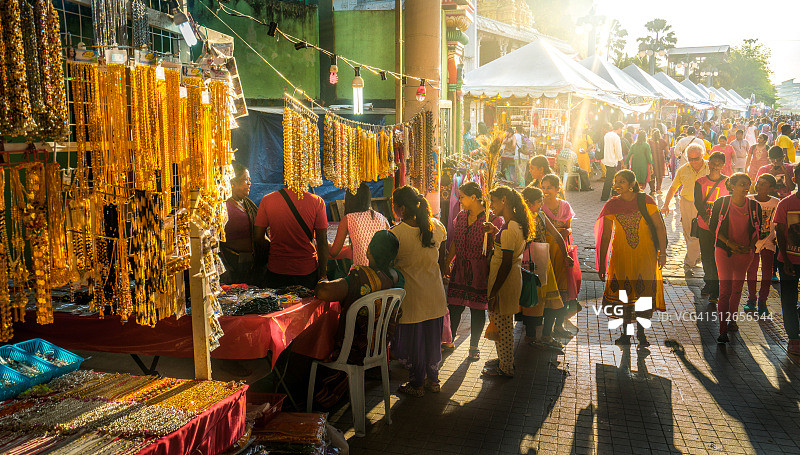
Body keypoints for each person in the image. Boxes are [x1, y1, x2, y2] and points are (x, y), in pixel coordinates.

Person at [312, 230, 404, 408]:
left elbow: (323, 292)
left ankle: (318, 401)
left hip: (353, 350)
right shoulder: (398, 279)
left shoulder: (359, 278)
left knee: (316, 342)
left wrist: (322, 278)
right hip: (378, 346)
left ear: (369, 251)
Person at [596, 170, 667, 346]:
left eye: (622, 181)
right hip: (621, 257)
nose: (617, 185)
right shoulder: (612, 205)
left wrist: (663, 252)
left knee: (643, 296)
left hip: (646, 255)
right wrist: (602, 264)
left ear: (632, 183)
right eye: (615, 181)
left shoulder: (646, 201)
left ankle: (642, 335)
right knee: (624, 297)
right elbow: (605, 236)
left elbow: (659, 228)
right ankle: (626, 335)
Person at [390, 186, 448, 397]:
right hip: (434, 294)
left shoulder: (395, 234)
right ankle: (433, 381)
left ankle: (417, 384)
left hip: (412, 298)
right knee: (432, 340)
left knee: (415, 343)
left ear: (401, 208)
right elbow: (441, 257)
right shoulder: (436, 226)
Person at [441, 182, 503, 361]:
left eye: (462, 197)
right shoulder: (461, 216)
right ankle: (449, 340)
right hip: (459, 268)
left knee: (477, 309)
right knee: (454, 307)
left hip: (480, 270)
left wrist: (492, 231)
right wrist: (448, 262)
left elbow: (501, 242)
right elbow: (455, 241)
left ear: (474, 197)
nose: (459, 200)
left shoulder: (492, 218)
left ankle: (474, 346)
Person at [482, 186, 531, 377]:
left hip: (505, 282)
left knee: (503, 325)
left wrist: (494, 291)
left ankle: (506, 367)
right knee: (503, 323)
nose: (492, 206)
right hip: (508, 280)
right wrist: (495, 231)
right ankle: (505, 360)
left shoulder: (511, 227)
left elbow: (506, 262)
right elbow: (505, 248)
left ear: (504, 200)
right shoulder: (512, 224)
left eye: (493, 201)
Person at [708, 173, 761, 344]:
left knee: (737, 288)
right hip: (724, 250)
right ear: (731, 186)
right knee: (725, 289)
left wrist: (749, 246)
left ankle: (732, 320)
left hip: (745, 252)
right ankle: (722, 330)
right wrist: (729, 243)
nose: (746, 187)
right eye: (741, 184)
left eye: (748, 184)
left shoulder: (754, 206)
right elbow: (713, 227)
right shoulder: (721, 203)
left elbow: (758, 230)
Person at [254, 185, 329, 289]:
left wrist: (274, 249)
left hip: (277, 268)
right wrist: (323, 275)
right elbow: (322, 241)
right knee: (307, 304)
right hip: (306, 270)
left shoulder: (267, 200)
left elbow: (258, 237)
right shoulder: (317, 201)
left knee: (278, 304)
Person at [520, 186, 565, 352]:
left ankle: (540, 336)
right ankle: (538, 336)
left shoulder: (537, 215)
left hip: (537, 260)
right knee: (540, 300)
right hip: (535, 260)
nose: (541, 205)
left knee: (542, 300)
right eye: (539, 202)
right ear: (530, 203)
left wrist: (565, 252)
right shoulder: (525, 218)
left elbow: (556, 234)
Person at [541, 175, 580, 334]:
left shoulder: (565, 206)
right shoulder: (540, 206)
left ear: (558, 188)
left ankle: (558, 325)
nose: (545, 191)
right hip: (545, 251)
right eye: (543, 187)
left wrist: (565, 231)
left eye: (549, 187)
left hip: (562, 251)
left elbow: (570, 229)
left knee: (562, 288)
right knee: (547, 288)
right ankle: (545, 327)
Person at [661, 144, 709, 275]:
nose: (693, 162)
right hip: (687, 203)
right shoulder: (683, 169)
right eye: (690, 159)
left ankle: (689, 261)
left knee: (700, 233)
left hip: (706, 205)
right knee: (689, 232)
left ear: (702, 155)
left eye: (696, 158)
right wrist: (665, 205)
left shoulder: (710, 167)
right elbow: (673, 187)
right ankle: (694, 255)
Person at [693, 151, 729, 304]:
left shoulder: (728, 182)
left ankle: (714, 287)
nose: (715, 166)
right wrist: (707, 220)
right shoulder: (700, 182)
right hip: (704, 225)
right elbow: (698, 203)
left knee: (718, 257)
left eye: (719, 164)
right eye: (713, 163)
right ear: (709, 164)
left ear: (723, 165)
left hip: (721, 227)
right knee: (707, 256)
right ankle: (711, 284)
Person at [329, 183, 390, 267]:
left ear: (349, 200)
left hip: (361, 274)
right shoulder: (382, 218)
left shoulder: (348, 219)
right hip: (382, 272)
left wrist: (326, 245)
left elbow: (334, 252)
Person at [774, 165, 800, 355]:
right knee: (789, 299)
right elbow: (780, 233)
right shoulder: (785, 203)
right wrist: (786, 260)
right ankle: (793, 337)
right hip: (788, 261)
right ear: (795, 179)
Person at [220, 162, 261, 285]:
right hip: (232, 262)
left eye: (249, 180)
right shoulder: (225, 206)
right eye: (245, 180)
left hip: (251, 262)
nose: (249, 183)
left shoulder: (246, 203)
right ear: (233, 182)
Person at [745, 174, 779, 315]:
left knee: (767, 272)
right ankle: (751, 298)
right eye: (758, 182)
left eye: (764, 183)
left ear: (771, 188)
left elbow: (778, 223)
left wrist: (777, 238)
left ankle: (762, 301)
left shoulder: (776, 203)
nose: (759, 186)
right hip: (753, 241)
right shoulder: (749, 200)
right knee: (751, 271)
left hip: (769, 240)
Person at [601, 121, 624, 201]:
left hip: (606, 159)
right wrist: (621, 161)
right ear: (619, 128)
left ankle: (615, 194)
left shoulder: (607, 135)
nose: (621, 130)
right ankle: (605, 197)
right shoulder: (616, 137)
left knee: (612, 178)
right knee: (609, 179)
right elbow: (618, 150)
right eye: (621, 129)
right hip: (612, 160)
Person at [648, 129, 669, 194]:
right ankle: (658, 189)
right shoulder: (662, 141)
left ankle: (652, 190)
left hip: (651, 159)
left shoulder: (649, 141)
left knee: (651, 174)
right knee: (660, 174)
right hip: (660, 159)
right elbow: (667, 151)